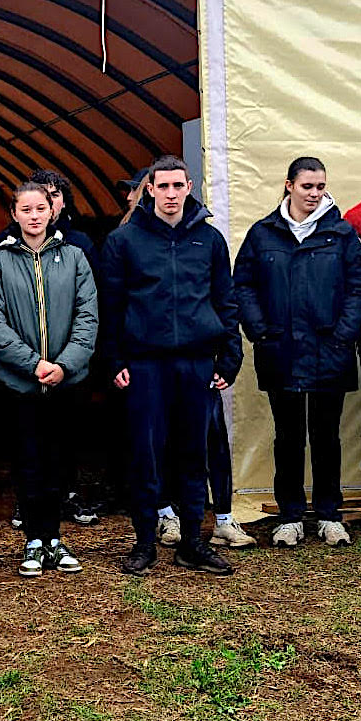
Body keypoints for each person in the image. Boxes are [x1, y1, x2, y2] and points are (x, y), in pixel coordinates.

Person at [99, 155, 241, 577]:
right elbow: (111, 306)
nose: (171, 195)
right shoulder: (124, 241)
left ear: (189, 186)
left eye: (178, 186)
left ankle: (193, 543)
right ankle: (145, 543)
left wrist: (230, 357)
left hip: (196, 361)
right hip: (145, 363)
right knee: (146, 454)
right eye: (162, 187)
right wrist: (115, 358)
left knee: (194, 454)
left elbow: (225, 301)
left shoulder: (210, 240)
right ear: (149, 190)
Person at [236, 156, 361, 547]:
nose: (314, 194)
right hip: (281, 351)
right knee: (288, 435)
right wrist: (261, 331)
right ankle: (291, 514)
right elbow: (243, 284)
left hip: (330, 350)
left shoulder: (341, 234)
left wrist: (344, 335)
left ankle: (329, 514)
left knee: (327, 435)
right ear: (289, 185)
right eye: (307, 186)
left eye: (320, 187)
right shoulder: (264, 234)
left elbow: (359, 287)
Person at [0, 180, 97, 577]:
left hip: (65, 382)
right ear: (14, 214)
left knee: (59, 462)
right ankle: (33, 539)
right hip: (21, 383)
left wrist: (63, 365)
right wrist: (33, 365)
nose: (34, 216)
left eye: (40, 209)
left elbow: (87, 318)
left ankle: (55, 539)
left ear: (53, 211)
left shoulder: (75, 257)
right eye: (25, 210)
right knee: (28, 461)